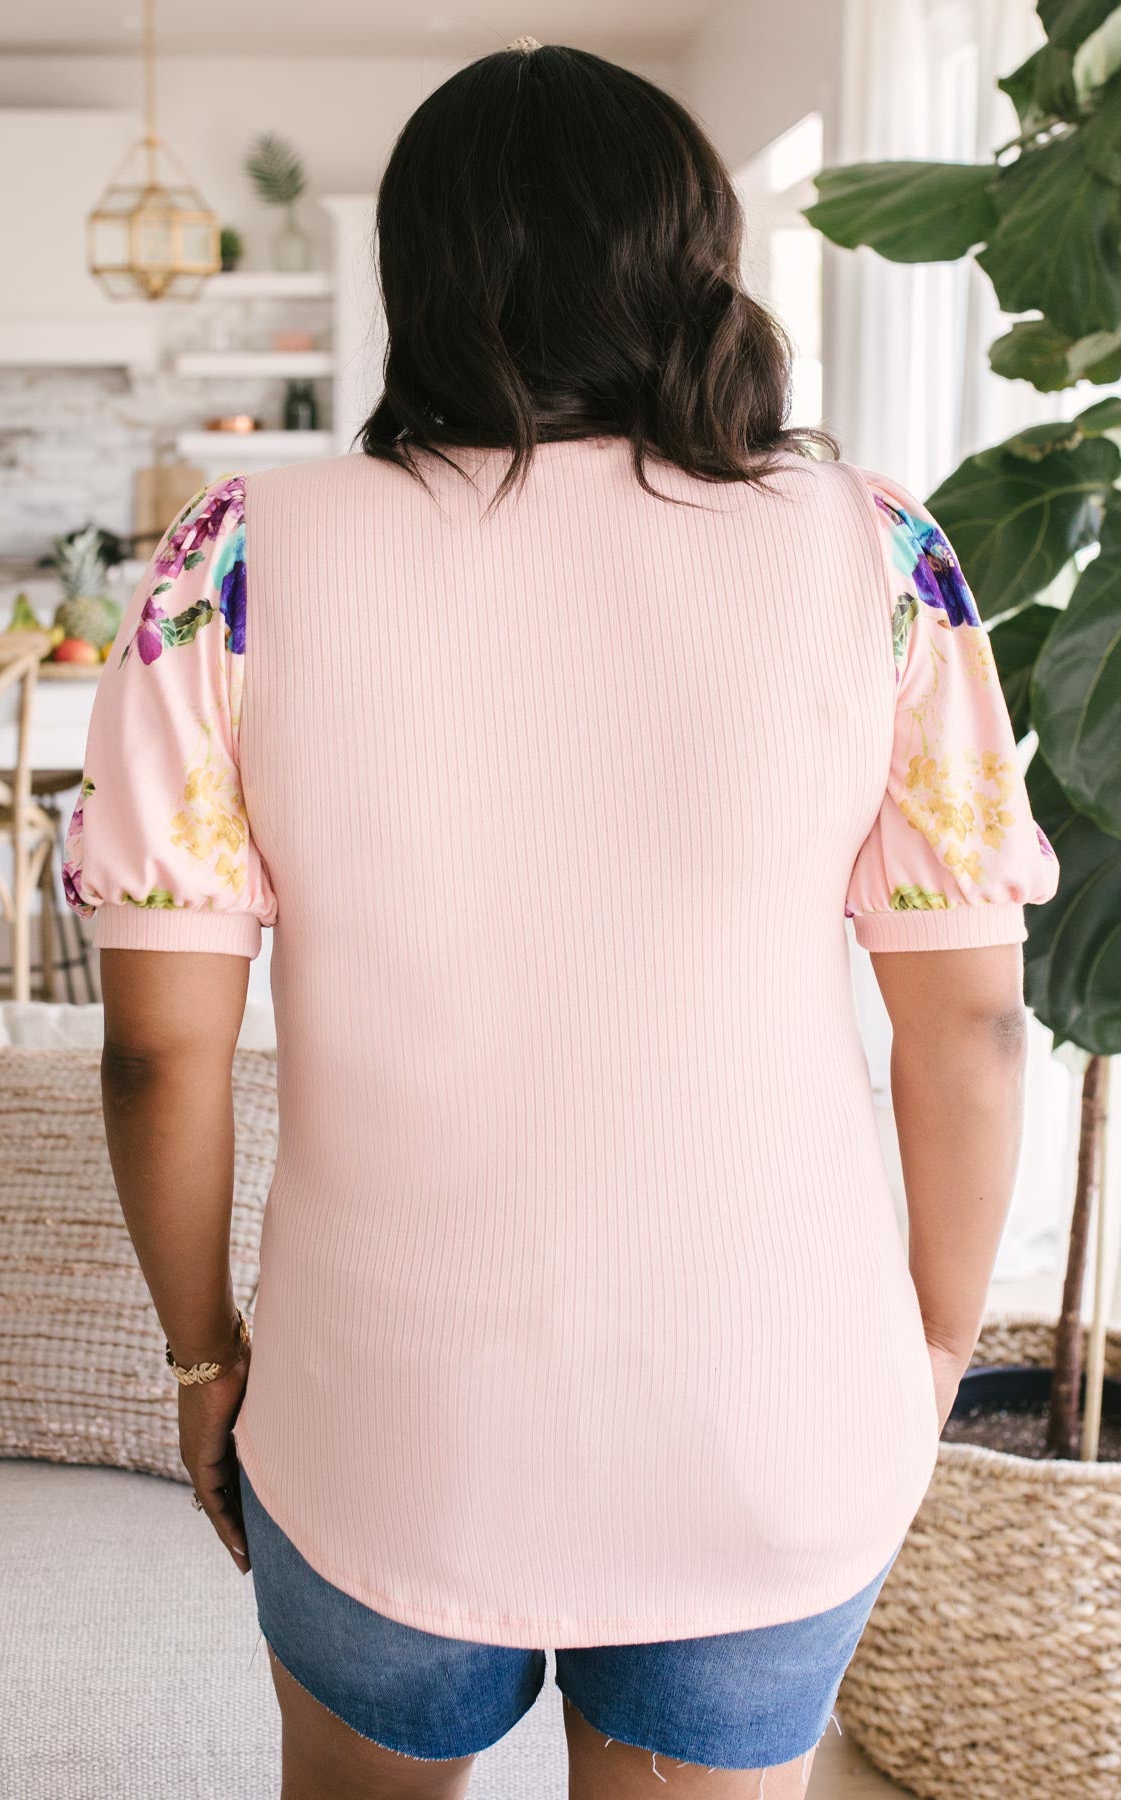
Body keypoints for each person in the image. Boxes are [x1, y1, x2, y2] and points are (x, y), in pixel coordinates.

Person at [62, 37, 1060, 1800]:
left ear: (420, 274)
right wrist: (920, 1356)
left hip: (385, 1414)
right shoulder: (877, 551)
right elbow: (968, 1021)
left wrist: (206, 1361)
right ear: (697, 257)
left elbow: (158, 1050)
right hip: (769, 1410)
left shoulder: (239, 557)